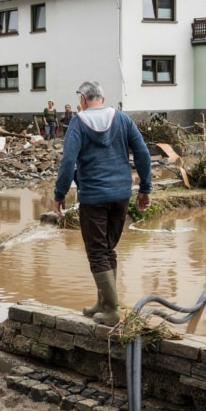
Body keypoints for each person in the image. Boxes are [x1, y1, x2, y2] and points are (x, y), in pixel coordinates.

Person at [52, 81, 152, 326]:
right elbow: (143, 153)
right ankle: (104, 303)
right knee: (108, 249)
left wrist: (59, 194)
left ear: (83, 100)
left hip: (94, 197)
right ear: (102, 98)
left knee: (97, 252)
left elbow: (68, 162)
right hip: (121, 194)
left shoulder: (78, 122)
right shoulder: (122, 119)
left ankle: (111, 310)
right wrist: (145, 188)